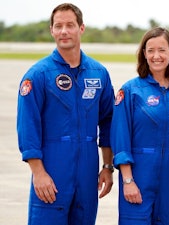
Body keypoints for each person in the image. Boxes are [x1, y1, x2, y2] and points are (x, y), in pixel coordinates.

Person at [16, 3, 115, 225]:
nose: (64, 31)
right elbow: (27, 128)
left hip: (88, 170)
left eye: (70, 25)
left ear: (81, 28)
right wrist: (38, 173)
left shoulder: (99, 74)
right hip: (52, 167)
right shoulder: (38, 75)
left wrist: (108, 167)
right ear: (51, 30)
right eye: (58, 26)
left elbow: (109, 122)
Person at [110, 27, 169, 225]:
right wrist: (128, 181)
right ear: (144, 54)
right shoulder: (130, 91)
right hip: (139, 175)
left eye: (161, 50)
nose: (156, 56)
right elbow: (121, 138)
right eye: (150, 50)